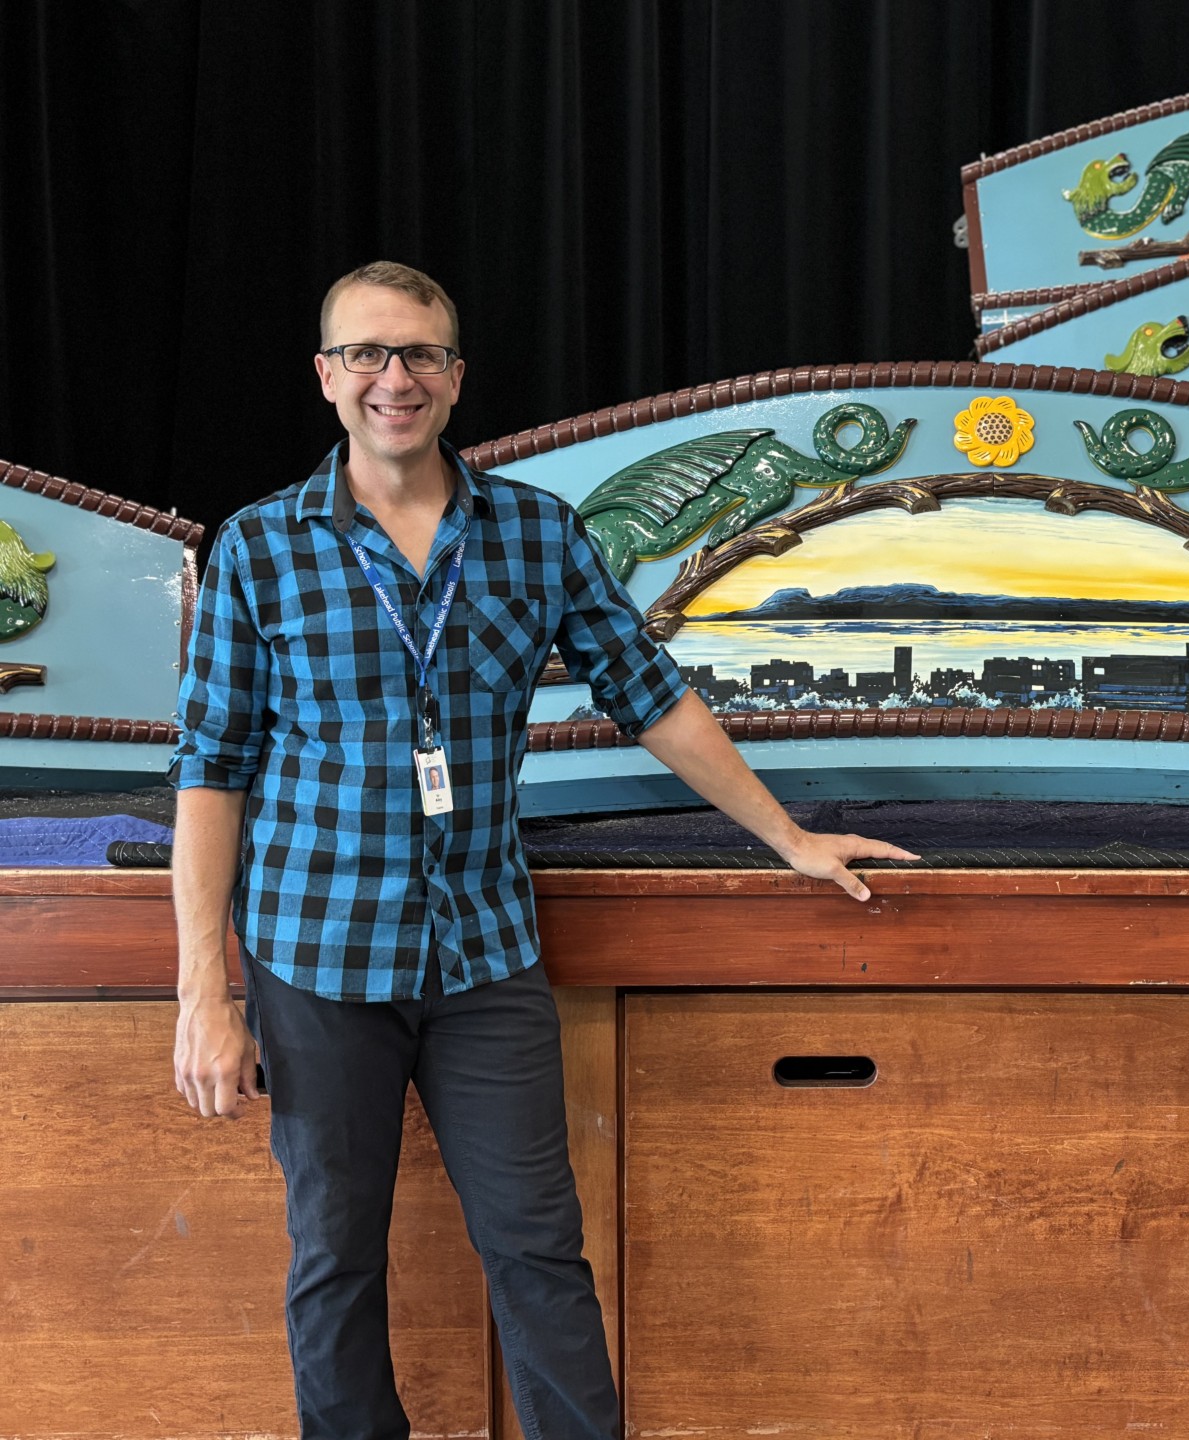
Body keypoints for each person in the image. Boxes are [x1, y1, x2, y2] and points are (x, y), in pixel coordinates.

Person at [170, 260, 915, 1440]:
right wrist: (202, 990)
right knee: (334, 1262)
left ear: (456, 379)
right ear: (326, 377)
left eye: (418, 354)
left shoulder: (532, 534)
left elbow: (651, 695)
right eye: (366, 354)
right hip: (314, 962)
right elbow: (211, 767)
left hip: (484, 960)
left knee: (537, 1250)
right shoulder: (259, 549)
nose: (393, 379)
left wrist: (787, 838)